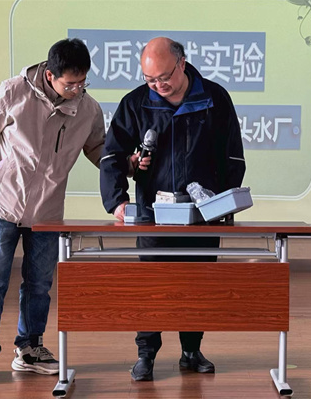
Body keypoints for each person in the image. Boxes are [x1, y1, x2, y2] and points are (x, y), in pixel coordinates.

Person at [0, 38, 106, 383]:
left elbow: (99, 149)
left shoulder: (88, 109)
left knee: (39, 284)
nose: (77, 90)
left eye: (82, 82)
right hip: (3, 205)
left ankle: (29, 348)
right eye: (70, 84)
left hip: (47, 211)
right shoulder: (12, 93)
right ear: (50, 74)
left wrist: (126, 168)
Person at [99, 37, 246, 381]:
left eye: (164, 77)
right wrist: (117, 200)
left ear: (182, 63)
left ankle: (191, 351)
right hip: (153, 215)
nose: (158, 85)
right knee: (152, 285)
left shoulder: (214, 98)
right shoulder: (136, 103)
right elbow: (112, 155)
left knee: (197, 284)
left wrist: (223, 203)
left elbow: (232, 156)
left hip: (202, 215)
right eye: (150, 79)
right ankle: (146, 355)